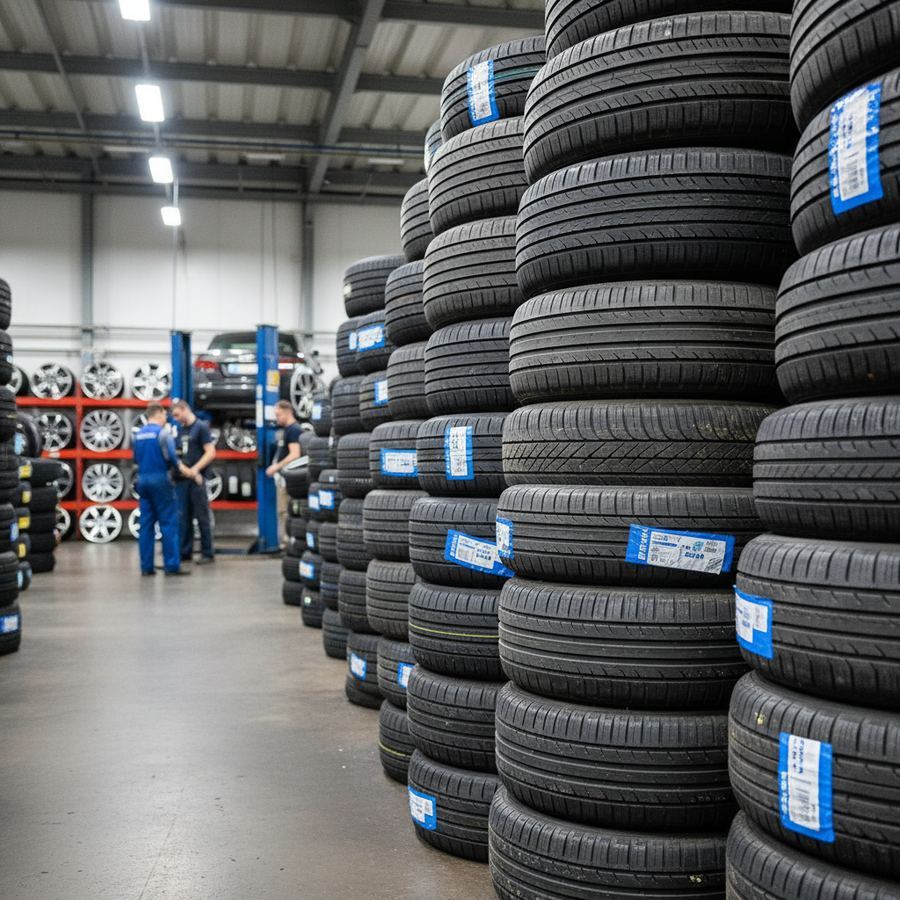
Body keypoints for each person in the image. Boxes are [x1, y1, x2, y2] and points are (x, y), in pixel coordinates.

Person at [133, 403, 192, 576]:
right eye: (165, 414)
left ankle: (146, 567)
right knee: (168, 523)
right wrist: (182, 469)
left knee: (146, 525)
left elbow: (135, 458)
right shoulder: (163, 433)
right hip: (160, 479)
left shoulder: (138, 435)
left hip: (142, 479)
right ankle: (172, 566)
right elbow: (172, 457)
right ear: (157, 414)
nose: (166, 418)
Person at [171, 399, 217, 565]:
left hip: (197, 481)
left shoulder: (201, 427)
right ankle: (185, 552)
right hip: (183, 480)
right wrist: (185, 470)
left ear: (184, 409)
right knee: (183, 518)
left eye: (177, 414)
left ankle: (207, 553)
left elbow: (211, 453)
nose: (175, 418)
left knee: (202, 517)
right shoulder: (181, 429)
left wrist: (195, 470)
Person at [265, 400, 303, 537]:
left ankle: (288, 542)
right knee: (283, 511)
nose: (277, 418)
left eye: (278, 415)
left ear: (287, 412)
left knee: (285, 511)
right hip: (284, 478)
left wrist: (276, 467)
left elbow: (295, 454)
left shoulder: (294, 430)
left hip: (288, 478)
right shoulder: (288, 430)